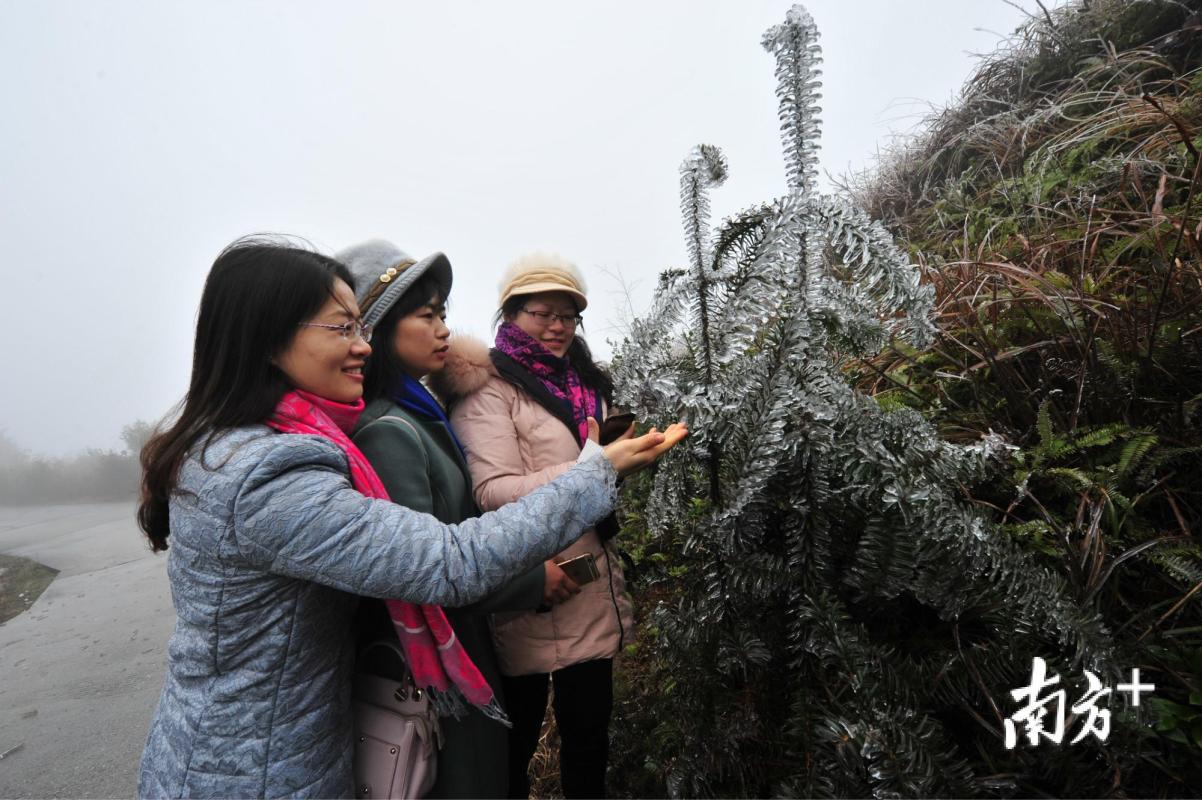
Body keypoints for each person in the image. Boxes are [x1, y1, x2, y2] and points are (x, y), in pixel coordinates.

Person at [135, 237, 682, 799]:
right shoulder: (272, 473)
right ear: (269, 338)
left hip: (274, 752)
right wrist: (594, 474)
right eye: (343, 328)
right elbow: (447, 562)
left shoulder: (257, 443)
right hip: (251, 773)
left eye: (361, 328)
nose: (363, 346)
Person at [338, 239, 555, 798]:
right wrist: (538, 580)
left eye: (444, 314)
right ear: (380, 329)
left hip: (456, 653)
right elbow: (426, 572)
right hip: (433, 668)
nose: (442, 329)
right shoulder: (390, 431)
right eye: (426, 315)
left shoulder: (420, 411)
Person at [432, 251, 644, 799]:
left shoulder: (580, 382)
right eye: (542, 313)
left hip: (588, 578)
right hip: (531, 584)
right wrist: (597, 467)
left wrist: (620, 458)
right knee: (514, 751)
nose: (557, 327)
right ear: (511, 314)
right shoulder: (487, 389)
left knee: (589, 745)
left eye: (569, 316)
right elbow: (492, 493)